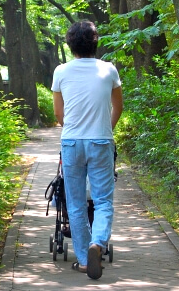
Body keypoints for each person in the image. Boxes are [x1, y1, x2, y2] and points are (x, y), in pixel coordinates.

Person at [51, 20, 123, 280]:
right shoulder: (109, 70)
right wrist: (106, 129)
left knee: (76, 202)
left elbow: (59, 114)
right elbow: (118, 107)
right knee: (103, 200)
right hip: (101, 141)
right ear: (96, 43)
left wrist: (72, 128)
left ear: (70, 45)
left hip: (71, 142)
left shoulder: (61, 71)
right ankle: (98, 242)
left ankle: (83, 260)